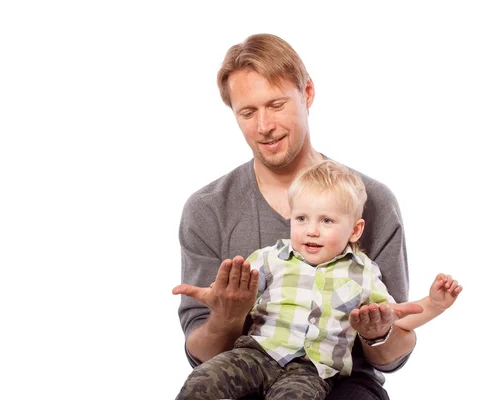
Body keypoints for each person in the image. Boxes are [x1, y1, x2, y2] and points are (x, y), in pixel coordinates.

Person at [173, 33, 419, 399]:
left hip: (338, 377)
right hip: (246, 364)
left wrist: (377, 332)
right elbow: (203, 357)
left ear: (307, 94)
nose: (264, 127)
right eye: (248, 112)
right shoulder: (207, 209)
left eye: (275, 105)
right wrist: (227, 315)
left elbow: (390, 356)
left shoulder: (373, 201)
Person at [174, 160, 462, 399]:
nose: (311, 230)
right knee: (202, 383)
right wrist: (215, 298)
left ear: (355, 230)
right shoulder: (269, 258)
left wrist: (434, 304)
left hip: (312, 370)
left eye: (326, 221)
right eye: (301, 219)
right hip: (256, 355)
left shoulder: (363, 272)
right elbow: (231, 293)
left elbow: (395, 318)